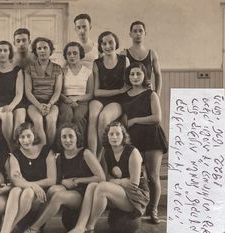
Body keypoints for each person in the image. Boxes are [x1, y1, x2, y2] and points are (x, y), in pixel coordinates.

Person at [68, 122, 149, 233]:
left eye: (117, 134)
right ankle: (80, 226)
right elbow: (106, 178)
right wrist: (120, 181)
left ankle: (89, 227)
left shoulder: (132, 151)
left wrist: (114, 181)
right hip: (120, 193)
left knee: (102, 187)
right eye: (111, 134)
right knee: (92, 185)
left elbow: (133, 183)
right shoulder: (107, 152)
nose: (114, 137)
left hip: (137, 197)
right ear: (107, 136)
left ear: (123, 136)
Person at [24, 123, 105, 233]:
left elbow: (101, 178)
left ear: (77, 137)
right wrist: (63, 181)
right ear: (60, 139)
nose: (67, 140)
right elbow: (58, 180)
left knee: (59, 196)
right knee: (53, 190)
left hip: (85, 194)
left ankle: (34, 228)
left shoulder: (85, 153)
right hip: (70, 190)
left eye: (71, 136)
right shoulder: (60, 156)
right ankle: (40, 223)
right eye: (64, 137)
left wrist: (77, 180)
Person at [121, 62, 168, 224]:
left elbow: (157, 117)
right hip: (134, 139)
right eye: (132, 74)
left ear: (144, 76)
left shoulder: (150, 93)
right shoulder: (124, 95)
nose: (135, 77)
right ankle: (139, 206)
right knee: (138, 176)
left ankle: (153, 210)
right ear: (128, 76)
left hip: (152, 136)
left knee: (153, 176)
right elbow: (124, 120)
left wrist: (135, 120)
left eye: (138, 74)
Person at [0, 122, 56, 233]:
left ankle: (8, 227)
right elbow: (16, 181)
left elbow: (52, 180)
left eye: (28, 136)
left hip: (40, 201)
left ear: (34, 135)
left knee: (28, 191)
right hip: (22, 205)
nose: (26, 140)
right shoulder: (15, 155)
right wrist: (32, 185)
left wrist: (27, 183)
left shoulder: (46, 151)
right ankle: (5, 230)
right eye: (22, 137)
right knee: (18, 190)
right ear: (18, 139)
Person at [87, 31, 130, 158]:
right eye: (104, 43)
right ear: (100, 46)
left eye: (110, 42)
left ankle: (102, 157)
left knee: (104, 117)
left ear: (116, 43)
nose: (107, 46)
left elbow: (128, 85)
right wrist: (118, 90)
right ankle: (92, 158)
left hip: (117, 100)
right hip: (100, 98)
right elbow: (96, 91)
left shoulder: (124, 60)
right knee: (93, 115)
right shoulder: (97, 63)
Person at [0, 40, 26, 152]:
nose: (2, 53)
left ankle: (19, 147)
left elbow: (19, 93)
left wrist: (12, 106)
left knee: (20, 118)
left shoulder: (17, 70)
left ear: (10, 53)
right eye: (0, 50)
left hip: (16, 101)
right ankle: (12, 149)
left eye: (5, 50)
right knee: (7, 116)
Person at [24, 37, 63, 146]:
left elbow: (57, 91)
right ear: (35, 51)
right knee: (38, 120)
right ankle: (42, 151)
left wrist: (49, 105)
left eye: (45, 48)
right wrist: (39, 106)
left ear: (50, 50)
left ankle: (49, 149)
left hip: (52, 103)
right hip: (34, 103)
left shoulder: (57, 68)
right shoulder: (29, 68)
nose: (42, 51)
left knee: (51, 120)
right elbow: (28, 91)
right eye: (39, 48)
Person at [59, 42, 94, 139]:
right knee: (67, 115)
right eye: (69, 53)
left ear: (80, 55)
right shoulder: (62, 71)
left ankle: (79, 144)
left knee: (78, 116)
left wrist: (76, 98)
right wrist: (67, 99)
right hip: (65, 100)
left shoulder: (88, 72)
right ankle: (62, 145)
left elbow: (90, 94)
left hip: (82, 101)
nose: (72, 56)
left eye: (75, 53)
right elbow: (58, 91)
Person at [121, 21, 162, 96]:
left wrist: (157, 95)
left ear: (145, 33)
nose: (138, 34)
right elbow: (121, 76)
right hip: (129, 94)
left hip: (146, 92)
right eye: (135, 31)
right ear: (130, 34)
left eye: (140, 31)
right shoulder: (124, 54)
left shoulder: (152, 54)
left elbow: (158, 75)